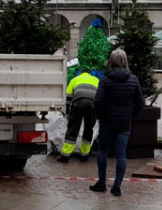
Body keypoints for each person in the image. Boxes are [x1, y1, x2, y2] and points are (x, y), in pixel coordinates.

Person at [90, 49, 144, 197]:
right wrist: (131, 116)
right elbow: (140, 103)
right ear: (125, 61)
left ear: (111, 62)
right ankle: (117, 186)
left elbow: (98, 101)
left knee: (103, 151)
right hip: (124, 123)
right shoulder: (133, 79)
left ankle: (101, 182)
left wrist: (101, 116)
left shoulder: (105, 79)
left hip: (107, 121)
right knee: (121, 154)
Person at [58, 69, 99, 163]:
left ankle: (65, 156)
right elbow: (100, 96)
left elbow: (68, 97)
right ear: (89, 74)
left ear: (80, 73)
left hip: (78, 102)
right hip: (92, 104)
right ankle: (84, 155)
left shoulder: (75, 79)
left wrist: (67, 113)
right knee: (88, 130)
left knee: (73, 129)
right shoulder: (96, 80)